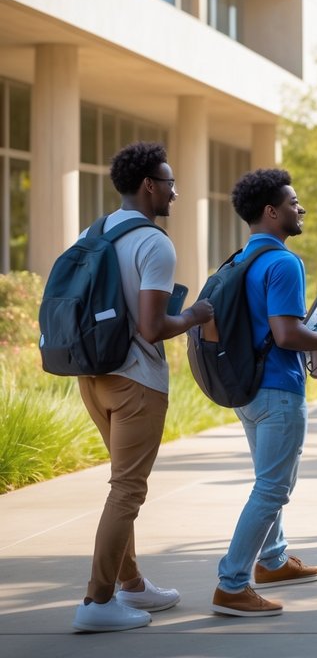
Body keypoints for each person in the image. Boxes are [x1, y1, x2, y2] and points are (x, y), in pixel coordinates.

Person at [70, 142, 214, 633]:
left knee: (119, 486)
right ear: (149, 185)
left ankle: (130, 583)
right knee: (128, 490)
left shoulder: (97, 231)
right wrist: (194, 315)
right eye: (170, 182)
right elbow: (152, 327)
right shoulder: (155, 243)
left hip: (93, 375)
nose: (175, 191)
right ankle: (96, 601)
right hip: (136, 379)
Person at [211, 169, 317, 618]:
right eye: (293, 203)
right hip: (278, 389)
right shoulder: (284, 262)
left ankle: (272, 560)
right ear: (272, 212)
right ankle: (232, 584)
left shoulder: (238, 260)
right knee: (273, 488)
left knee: (269, 480)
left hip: (247, 390)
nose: (301, 209)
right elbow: (288, 335)